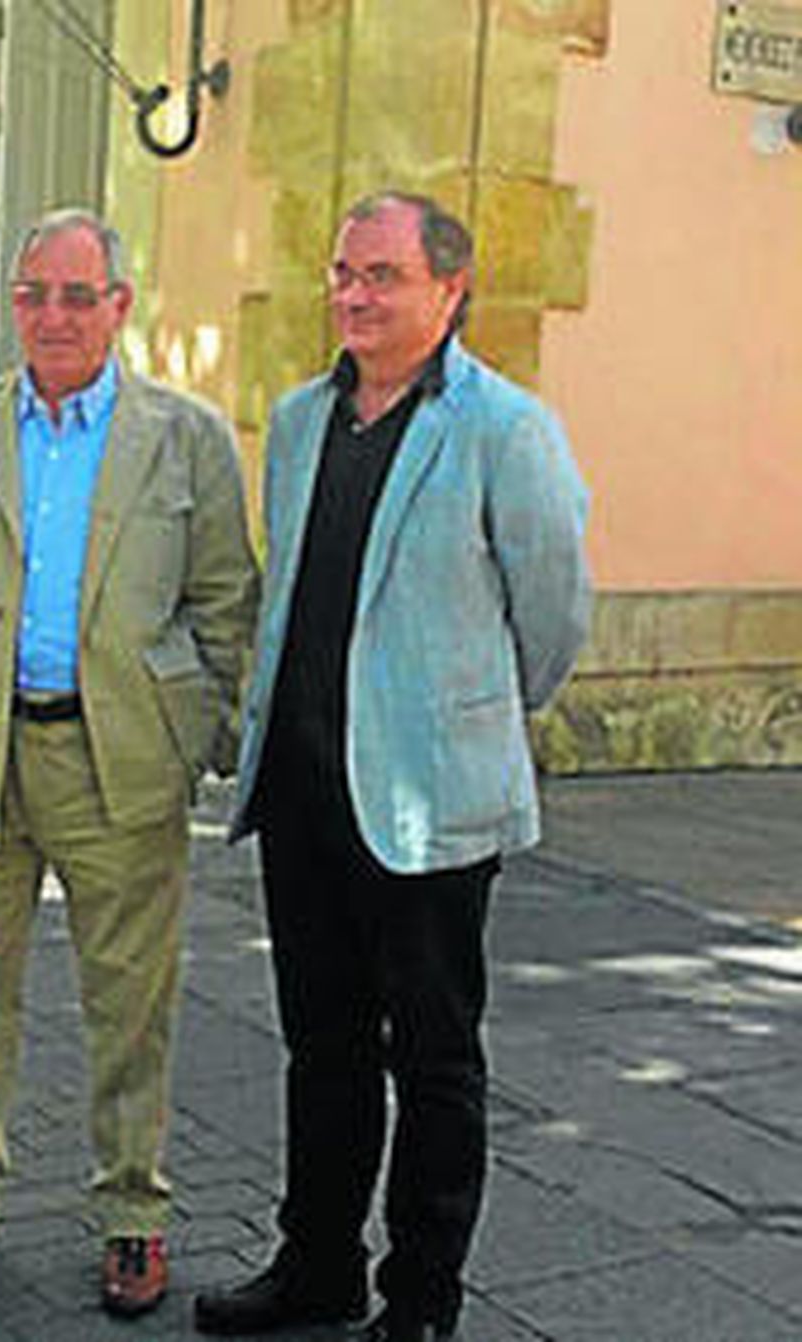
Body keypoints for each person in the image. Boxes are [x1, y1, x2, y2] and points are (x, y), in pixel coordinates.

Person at [0, 208, 258, 1318]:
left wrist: (202, 740)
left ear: (120, 305)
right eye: (34, 294)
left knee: (131, 1002)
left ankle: (132, 1215)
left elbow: (227, 604)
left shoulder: (187, 438)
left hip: (122, 764)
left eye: (78, 295)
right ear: (10, 303)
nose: (54, 316)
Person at [193, 192, 591, 1342]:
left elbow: (553, 612)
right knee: (321, 1050)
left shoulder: (503, 429)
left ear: (448, 290)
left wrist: (470, 719)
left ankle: (419, 1299)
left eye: (382, 275)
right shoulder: (299, 418)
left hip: (430, 805)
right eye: (342, 272)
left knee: (433, 1060)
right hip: (304, 793)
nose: (353, 294)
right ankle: (315, 1264)